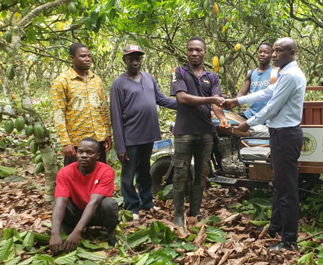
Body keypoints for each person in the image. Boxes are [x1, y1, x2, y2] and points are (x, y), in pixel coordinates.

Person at [224, 37, 306, 252]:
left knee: (287, 191)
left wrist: (247, 123)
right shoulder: (284, 73)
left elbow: (272, 107)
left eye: (279, 51)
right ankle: (275, 229)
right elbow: (268, 93)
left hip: (286, 136)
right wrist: (237, 101)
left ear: (291, 53)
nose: (274, 54)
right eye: (274, 51)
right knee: (279, 185)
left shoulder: (290, 75)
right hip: (280, 135)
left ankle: (289, 241)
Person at [110, 45, 177, 219]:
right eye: (131, 58)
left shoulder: (148, 78)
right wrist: (120, 147)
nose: (135, 61)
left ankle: (146, 202)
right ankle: (132, 206)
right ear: (124, 60)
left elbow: (161, 99)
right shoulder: (118, 84)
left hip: (148, 135)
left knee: (144, 171)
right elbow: (116, 116)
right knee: (128, 174)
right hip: (130, 137)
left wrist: (185, 103)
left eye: (138, 58)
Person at [169, 37, 229, 227]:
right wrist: (211, 100)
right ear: (187, 52)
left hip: (205, 133)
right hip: (184, 132)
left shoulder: (212, 77)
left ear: (204, 52)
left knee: (202, 172)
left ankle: (195, 210)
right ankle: (178, 213)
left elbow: (217, 102)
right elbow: (182, 98)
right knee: (180, 172)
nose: (194, 53)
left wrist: (222, 117)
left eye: (198, 50)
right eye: (191, 50)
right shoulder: (178, 72)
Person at [51, 42, 112, 202]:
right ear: (72, 58)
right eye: (83, 56)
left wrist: (107, 133)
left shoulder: (96, 80)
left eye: (89, 56)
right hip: (76, 143)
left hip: (97, 140)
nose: (87, 59)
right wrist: (65, 142)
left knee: (98, 177)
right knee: (75, 180)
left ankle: (97, 210)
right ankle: (73, 211)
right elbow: (58, 113)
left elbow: (103, 107)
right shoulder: (62, 81)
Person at [49, 138, 118, 255]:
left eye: (89, 153)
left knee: (108, 204)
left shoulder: (106, 171)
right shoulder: (65, 172)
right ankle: (65, 234)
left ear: (98, 155)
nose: (84, 156)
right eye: (80, 152)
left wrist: (78, 231)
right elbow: (60, 202)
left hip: (96, 213)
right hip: (76, 213)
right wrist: (54, 233)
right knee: (55, 204)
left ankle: (110, 232)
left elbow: (94, 202)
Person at [236, 42, 274, 120]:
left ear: (271, 55)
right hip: (250, 114)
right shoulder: (251, 73)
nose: (262, 54)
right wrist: (231, 103)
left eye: (266, 52)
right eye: (260, 52)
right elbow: (242, 93)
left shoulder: (275, 72)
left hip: (267, 115)